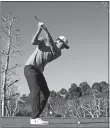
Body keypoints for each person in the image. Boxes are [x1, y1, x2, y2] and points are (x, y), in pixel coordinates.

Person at [24, 22, 69, 125]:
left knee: (46, 93)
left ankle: (36, 116)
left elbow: (53, 46)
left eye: (65, 46)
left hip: (38, 71)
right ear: (59, 41)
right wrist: (39, 29)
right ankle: (34, 118)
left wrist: (46, 30)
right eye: (64, 45)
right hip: (30, 67)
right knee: (35, 90)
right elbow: (33, 42)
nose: (64, 48)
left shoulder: (58, 52)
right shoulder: (44, 41)